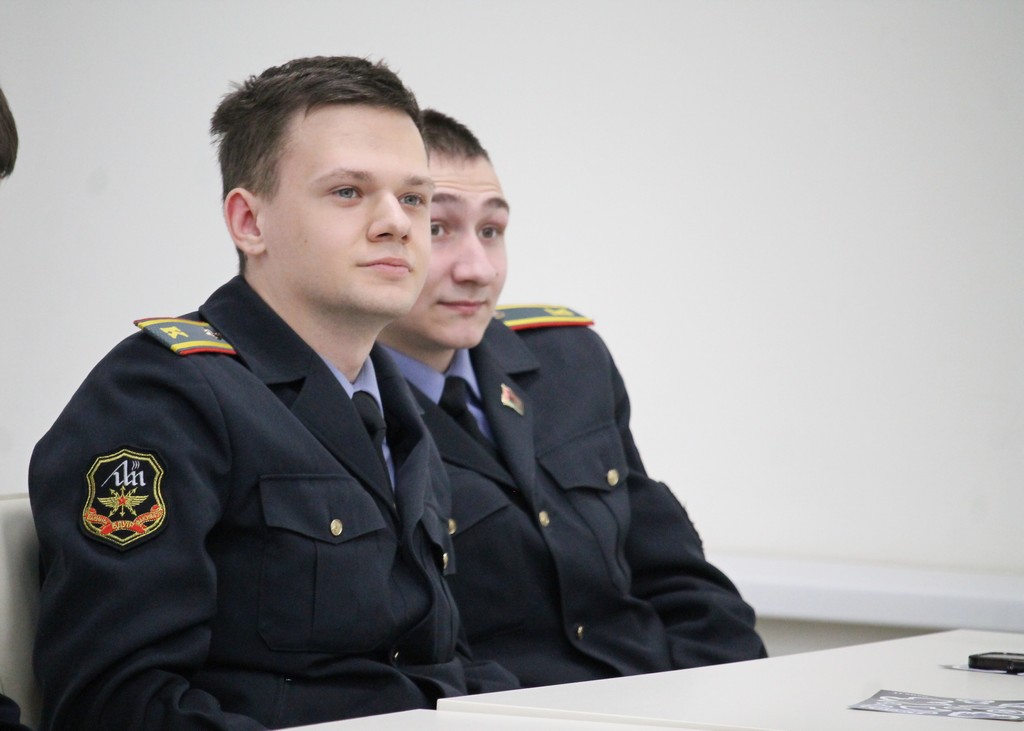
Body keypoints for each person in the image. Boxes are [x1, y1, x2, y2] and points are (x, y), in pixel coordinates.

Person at [29, 58, 513, 731]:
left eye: (413, 198)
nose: (396, 224)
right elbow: (115, 703)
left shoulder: (391, 404)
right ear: (249, 222)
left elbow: (435, 661)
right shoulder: (162, 398)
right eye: (348, 192)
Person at [378, 110, 767, 688]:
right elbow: (414, 657)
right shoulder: (352, 408)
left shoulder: (568, 360)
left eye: (492, 231)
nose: (478, 269)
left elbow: (676, 577)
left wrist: (724, 691)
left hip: (658, 696)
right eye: (438, 229)